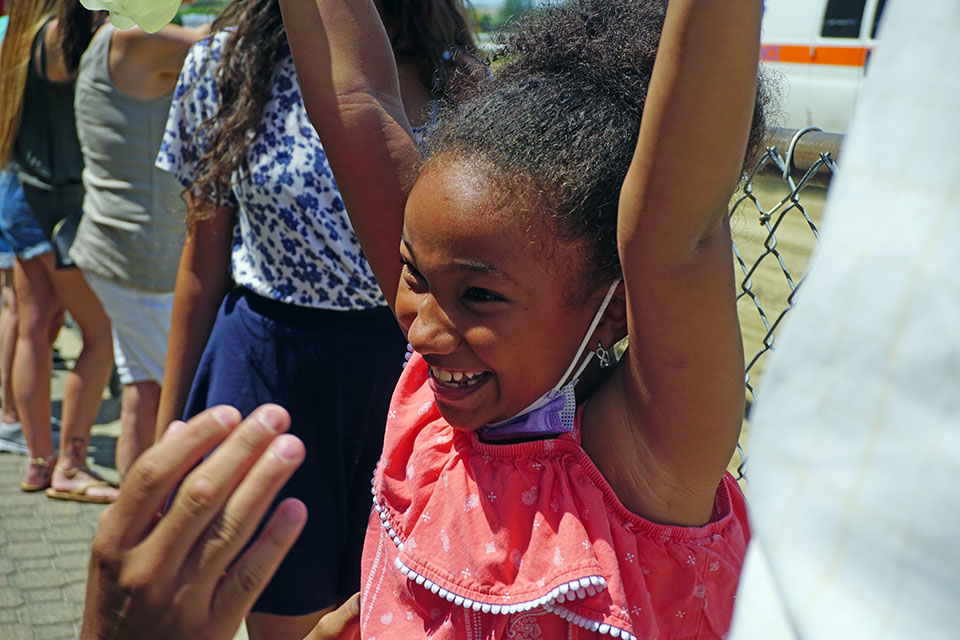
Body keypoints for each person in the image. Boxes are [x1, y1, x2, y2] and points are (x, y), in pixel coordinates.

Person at [81, 0, 768, 638]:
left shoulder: (647, 463)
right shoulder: (438, 406)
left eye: (480, 297)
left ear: (614, 304)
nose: (420, 331)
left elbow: (676, 232)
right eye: (414, 276)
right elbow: (355, 103)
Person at [154, 1, 477, 637]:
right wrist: (168, 438)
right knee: (285, 618)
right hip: (271, 377)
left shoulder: (460, 79)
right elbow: (201, 263)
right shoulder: (224, 68)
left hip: (411, 383)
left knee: (391, 618)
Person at [70, 2, 206, 479]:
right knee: (175, 403)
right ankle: (154, 523)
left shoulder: (104, 38)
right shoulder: (133, 38)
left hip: (115, 246)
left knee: (142, 391)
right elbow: (226, 48)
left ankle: (131, 521)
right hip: (141, 258)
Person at [0, 0, 117, 502]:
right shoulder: (65, 34)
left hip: (23, 197)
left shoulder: (18, 36)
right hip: (62, 208)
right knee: (99, 335)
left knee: (36, 328)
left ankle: (39, 461)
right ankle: (70, 462)